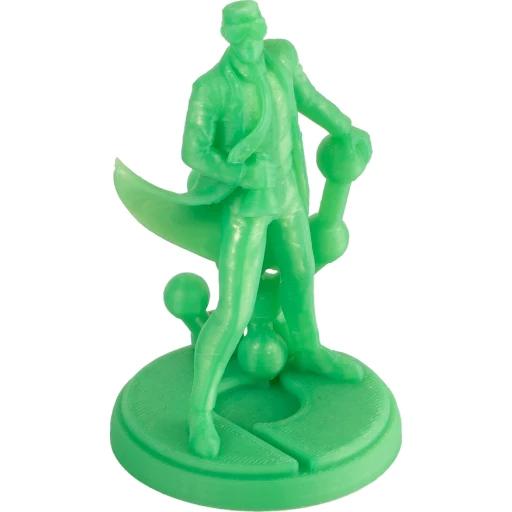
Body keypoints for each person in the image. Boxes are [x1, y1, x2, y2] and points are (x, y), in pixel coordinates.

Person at [182, 0, 365, 458]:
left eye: (255, 27)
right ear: (226, 35)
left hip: (289, 199)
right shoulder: (211, 88)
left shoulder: (281, 58)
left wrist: (345, 129)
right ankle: (200, 413)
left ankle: (309, 352)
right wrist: (240, 173)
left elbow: (309, 99)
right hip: (245, 209)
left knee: (301, 277)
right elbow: (193, 151)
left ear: (264, 25)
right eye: (239, 31)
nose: (249, 40)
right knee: (234, 311)